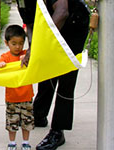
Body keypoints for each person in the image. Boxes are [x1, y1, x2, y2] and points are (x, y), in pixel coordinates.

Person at [16, 0, 90, 150]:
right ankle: (39, 114)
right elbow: (30, 24)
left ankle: (58, 131)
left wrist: (40, 45)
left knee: (66, 75)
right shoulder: (22, 1)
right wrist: (33, 47)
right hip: (53, 25)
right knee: (46, 68)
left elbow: (62, 11)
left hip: (73, 23)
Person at [0, 25, 34, 150]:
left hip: (27, 96)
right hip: (12, 98)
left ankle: (25, 142)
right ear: (6, 43)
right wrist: (2, 65)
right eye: (14, 43)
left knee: (26, 122)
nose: (18, 47)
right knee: (12, 121)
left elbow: (35, 59)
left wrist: (27, 57)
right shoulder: (6, 57)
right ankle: (12, 143)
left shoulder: (26, 54)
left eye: (21, 43)